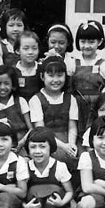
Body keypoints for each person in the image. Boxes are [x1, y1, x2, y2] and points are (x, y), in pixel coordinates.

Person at [29, 57, 79, 187]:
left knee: (81, 156)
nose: (55, 80)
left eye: (60, 75)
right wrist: (64, 147)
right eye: (50, 76)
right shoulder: (36, 99)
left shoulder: (70, 99)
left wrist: (71, 144)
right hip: (47, 140)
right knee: (56, 157)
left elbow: (72, 126)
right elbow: (41, 129)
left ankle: (76, 192)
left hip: (66, 138)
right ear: (42, 77)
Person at [22, 127, 73, 208]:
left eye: (42, 147)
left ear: (51, 147)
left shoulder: (59, 166)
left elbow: (70, 191)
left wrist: (62, 202)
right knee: (32, 190)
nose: (37, 151)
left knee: (54, 189)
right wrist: (24, 206)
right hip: (34, 207)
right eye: (33, 147)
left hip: (54, 206)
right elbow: (20, 192)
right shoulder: (25, 167)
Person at [72, 20, 105, 138]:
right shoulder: (72, 62)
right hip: (76, 104)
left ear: (99, 41)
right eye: (83, 41)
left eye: (91, 42)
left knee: (94, 133)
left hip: (95, 106)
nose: (86, 46)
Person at [0, 65, 32, 153]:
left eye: (6, 83)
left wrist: (21, 143)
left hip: (22, 145)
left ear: (13, 85)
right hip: (0, 147)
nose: (2, 87)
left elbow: (31, 129)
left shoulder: (20, 101)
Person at [13, 31, 42, 101]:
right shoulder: (12, 71)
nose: (30, 52)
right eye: (26, 48)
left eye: (34, 48)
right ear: (17, 50)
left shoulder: (42, 70)